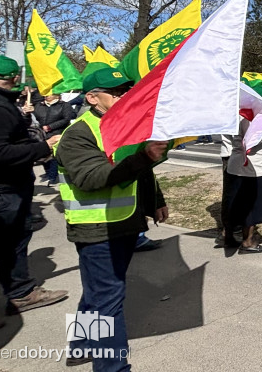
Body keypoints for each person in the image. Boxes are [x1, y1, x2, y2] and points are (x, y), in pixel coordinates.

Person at [54, 66, 168, 369]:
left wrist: (156, 199)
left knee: (97, 293)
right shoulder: (78, 133)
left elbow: (141, 170)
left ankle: (80, 346)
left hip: (125, 224)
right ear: (92, 98)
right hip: (96, 229)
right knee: (108, 301)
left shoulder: (127, 126)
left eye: (126, 91)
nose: (124, 96)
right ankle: (113, 367)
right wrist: (144, 157)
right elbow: (92, 177)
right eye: (115, 92)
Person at [0, 56, 68, 334]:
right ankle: (19, 293)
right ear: (14, 78)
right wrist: (42, 148)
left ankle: (21, 292)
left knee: (12, 242)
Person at [223, 111, 262, 253]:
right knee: (250, 206)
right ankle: (248, 241)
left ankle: (228, 235)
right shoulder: (250, 115)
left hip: (240, 164)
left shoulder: (236, 112)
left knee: (235, 203)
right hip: (252, 166)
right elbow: (253, 138)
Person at [34, 92, 73, 185]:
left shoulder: (64, 105)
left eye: (50, 94)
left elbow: (67, 118)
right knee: (43, 155)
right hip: (42, 134)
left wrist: (51, 126)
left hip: (57, 133)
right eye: (46, 94)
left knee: (54, 156)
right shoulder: (40, 105)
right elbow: (36, 118)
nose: (47, 96)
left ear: (56, 95)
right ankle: (47, 173)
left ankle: (52, 176)